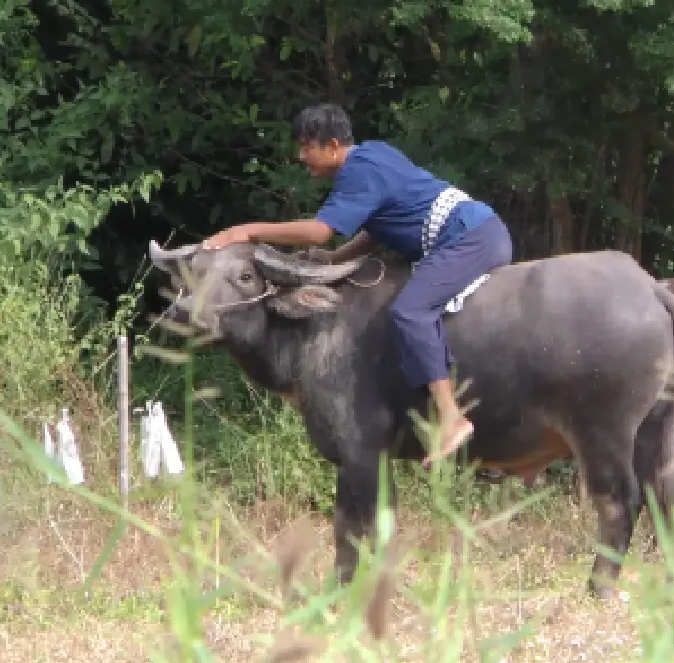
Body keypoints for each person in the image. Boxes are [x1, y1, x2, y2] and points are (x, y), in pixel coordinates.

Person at [201, 102, 514, 467]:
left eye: (307, 147)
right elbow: (377, 226)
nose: (302, 157)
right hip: (476, 231)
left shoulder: (357, 172)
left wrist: (247, 230)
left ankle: (450, 416)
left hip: (469, 238)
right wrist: (337, 259)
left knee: (410, 312)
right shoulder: (373, 154)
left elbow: (319, 232)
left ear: (333, 145)